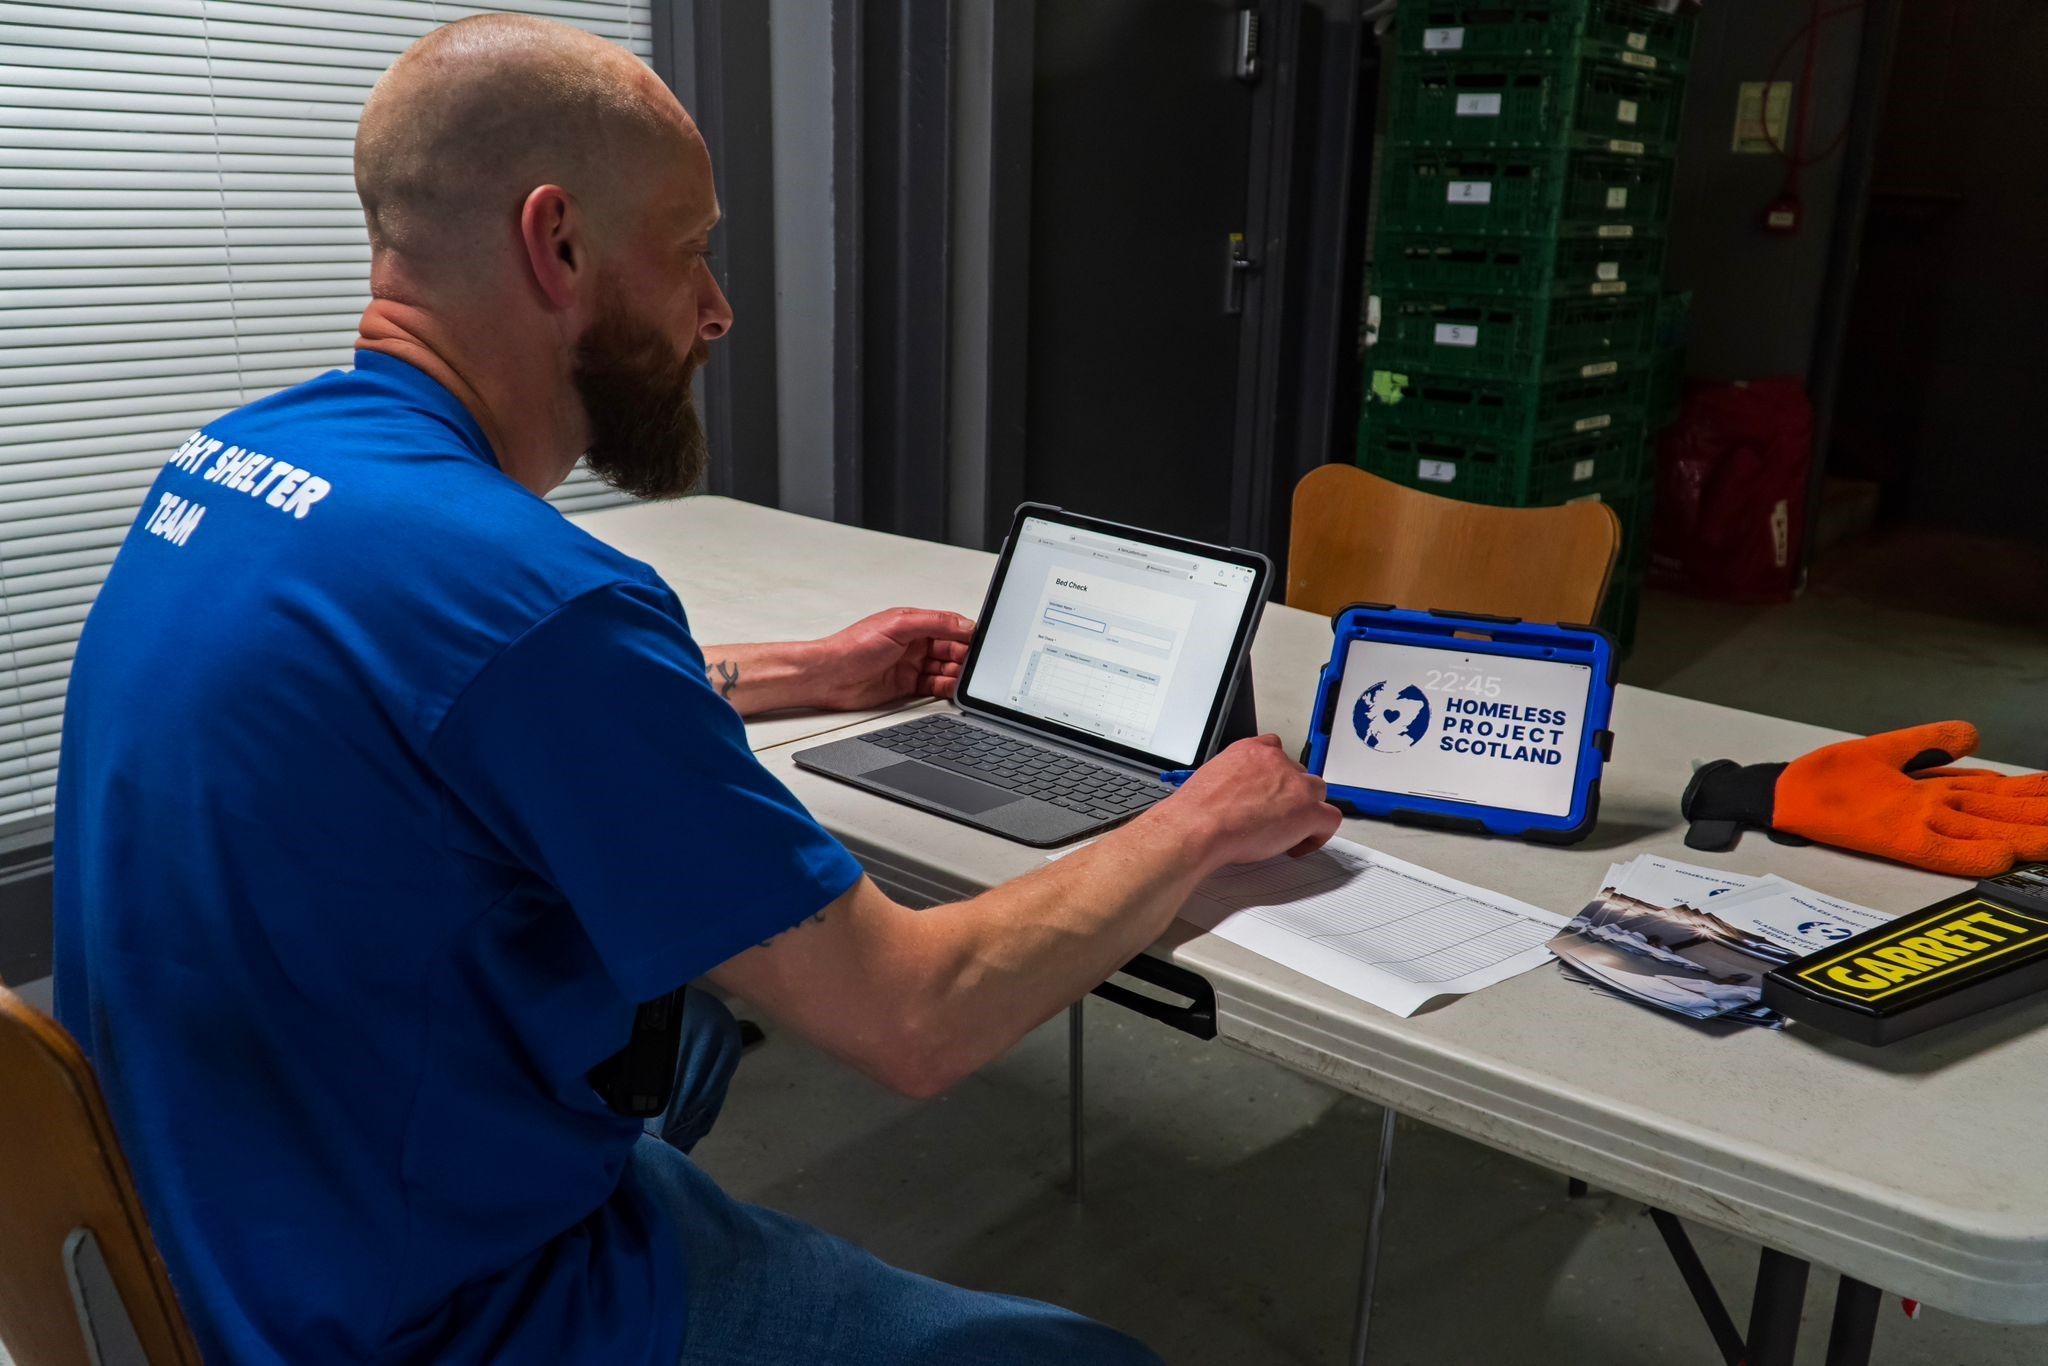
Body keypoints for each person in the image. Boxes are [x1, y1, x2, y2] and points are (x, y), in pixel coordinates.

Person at [52, 15, 1341, 1366]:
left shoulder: (239, 459)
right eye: (691, 250)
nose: (717, 308)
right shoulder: (541, 601)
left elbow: (438, 705)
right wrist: (1203, 816)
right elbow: (916, 1014)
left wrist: (809, 673)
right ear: (556, 246)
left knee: (694, 1036)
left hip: (204, 1230)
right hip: (424, 1315)